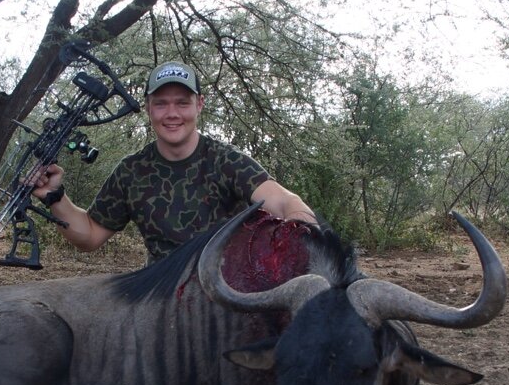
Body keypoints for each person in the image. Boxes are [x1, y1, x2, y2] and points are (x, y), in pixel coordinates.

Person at [31, 60, 316, 262]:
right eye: (161, 103)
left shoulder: (227, 161)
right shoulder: (132, 171)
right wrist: (55, 197)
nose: (172, 113)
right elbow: (90, 236)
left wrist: (303, 231)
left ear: (199, 105)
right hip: (160, 299)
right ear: (148, 109)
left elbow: (284, 202)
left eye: (182, 102)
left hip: (228, 294)